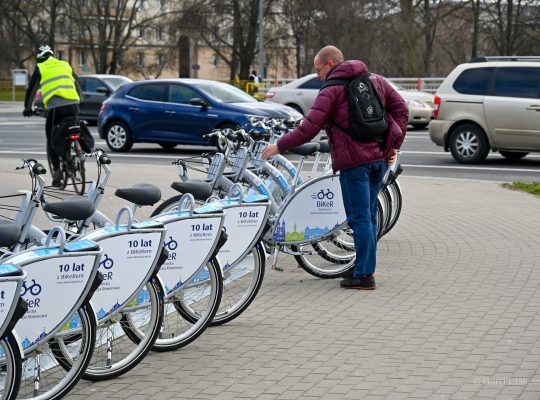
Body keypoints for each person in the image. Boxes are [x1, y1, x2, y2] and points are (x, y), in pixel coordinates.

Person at [261, 45, 408, 290]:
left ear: (330, 64)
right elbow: (401, 109)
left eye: (318, 70)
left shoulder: (331, 90)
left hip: (354, 164)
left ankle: (364, 276)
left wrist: (279, 145)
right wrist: (393, 145)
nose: (318, 76)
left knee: (359, 218)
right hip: (379, 160)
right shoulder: (376, 80)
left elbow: (309, 128)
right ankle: (363, 267)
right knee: (369, 215)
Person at [23, 45, 82, 186]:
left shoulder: (41, 67)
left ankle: (57, 172)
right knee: (73, 128)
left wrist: (27, 108)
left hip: (56, 109)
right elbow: (78, 85)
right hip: (74, 105)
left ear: (40, 58)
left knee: (51, 137)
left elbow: (31, 90)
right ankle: (76, 152)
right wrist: (77, 101)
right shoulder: (65, 65)